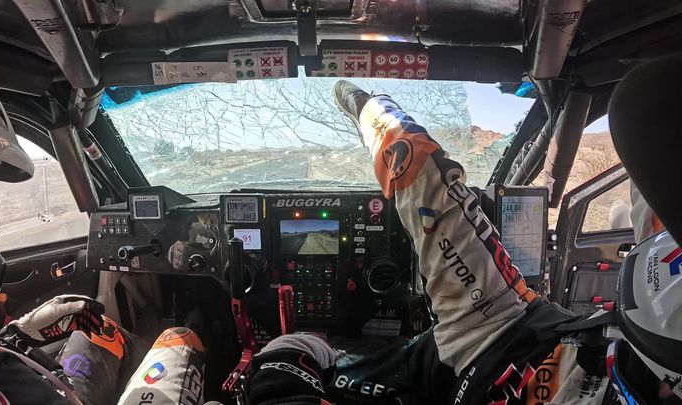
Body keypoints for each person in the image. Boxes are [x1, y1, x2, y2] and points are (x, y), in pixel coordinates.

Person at [238, 73, 682, 404]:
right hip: (502, 324)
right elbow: (419, 172)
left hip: (493, 329)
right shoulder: (654, 316)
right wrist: (369, 107)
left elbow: (417, 168)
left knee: (275, 364)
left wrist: (370, 106)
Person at [0, 51, 207, 405]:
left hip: (34, 375)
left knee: (102, 331)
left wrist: (18, 335)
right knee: (181, 336)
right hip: (35, 386)